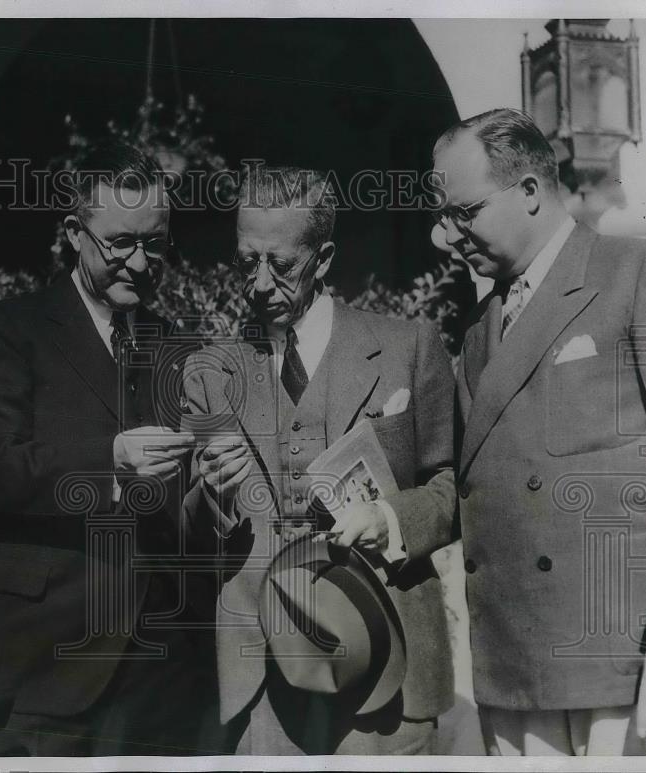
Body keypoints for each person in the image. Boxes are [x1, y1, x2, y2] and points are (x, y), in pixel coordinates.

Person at [0, 141, 216, 756]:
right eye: (121, 243)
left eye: (155, 243)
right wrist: (111, 462)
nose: (142, 264)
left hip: (162, 669)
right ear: (74, 232)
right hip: (43, 658)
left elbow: (189, 506)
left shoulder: (174, 346)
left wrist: (211, 479)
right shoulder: (7, 329)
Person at [180, 165, 456, 754]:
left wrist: (392, 519)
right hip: (263, 675)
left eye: (279, 265)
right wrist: (209, 496)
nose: (257, 283)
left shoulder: (410, 348)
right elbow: (185, 527)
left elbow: (453, 489)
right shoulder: (209, 372)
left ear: (323, 258)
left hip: (390, 661)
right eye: (244, 260)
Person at [433, 108, 646, 756]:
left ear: (532, 193)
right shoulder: (481, 330)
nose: (446, 234)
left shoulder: (634, 272)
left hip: (613, 661)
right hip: (511, 668)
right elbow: (459, 485)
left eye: (465, 211)